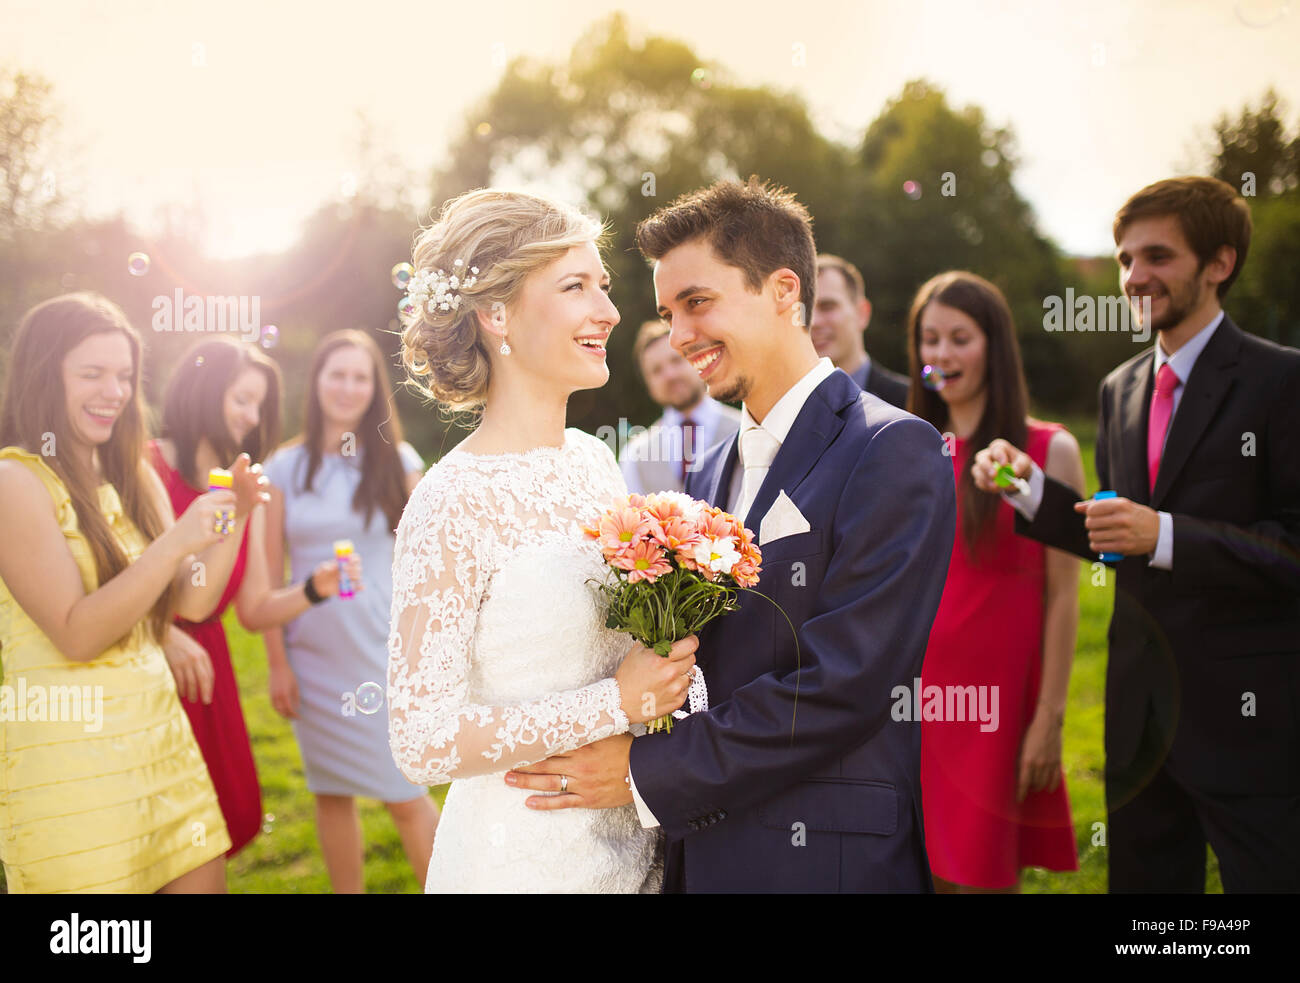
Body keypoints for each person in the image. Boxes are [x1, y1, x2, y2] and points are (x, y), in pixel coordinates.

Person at [506, 177, 956, 893]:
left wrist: (642, 770)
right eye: (666, 312)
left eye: (697, 302)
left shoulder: (894, 448)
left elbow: (847, 683)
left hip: (826, 864)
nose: (679, 336)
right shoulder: (711, 470)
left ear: (783, 290)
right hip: (703, 853)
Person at [973, 176, 1300, 893]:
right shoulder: (1120, 388)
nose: (1134, 276)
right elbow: (1117, 536)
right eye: (1125, 259)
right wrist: (1025, 487)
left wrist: (1171, 533)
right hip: (1139, 712)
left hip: (1250, 717)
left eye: (1158, 256)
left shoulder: (1283, 382)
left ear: (1219, 264)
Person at [387, 188, 699, 893]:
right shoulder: (451, 500)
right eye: (575, 287)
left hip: (628, 844)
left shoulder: (595, 460)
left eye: (605, 286)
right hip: (519, 857)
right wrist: (615, 703)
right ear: (496, 314)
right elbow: (422, 738)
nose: (610, 311)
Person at [0, 292, 267, 893]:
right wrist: (174, 542)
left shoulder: (129, 471)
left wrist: (238, 516)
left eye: (123, 375)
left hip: (161, 744)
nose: (113, 392)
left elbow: (190, 604)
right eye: (90, 374)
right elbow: (76, 633)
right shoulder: (15, 481)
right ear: (45, 375)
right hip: (73, 770)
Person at [149, 335, 362, 858]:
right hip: (151, 667)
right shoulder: (146, 465)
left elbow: (253, 610)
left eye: (260, 404)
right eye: (240, 398)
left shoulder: (244, 487)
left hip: (207, 674)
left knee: (208, 839)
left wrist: (315, 588)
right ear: (203, 390)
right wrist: (162, 632)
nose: (252, 415)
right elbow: (174, 597)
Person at [908, 270, 1081, 892]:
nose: (943, 355)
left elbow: (1065, 594)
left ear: (994, 346)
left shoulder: (1047, 450)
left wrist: (1049, 718)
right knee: (920, 868)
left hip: (997, 706)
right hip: (917, 698)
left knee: (982, 871)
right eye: (930, 340)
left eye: (961, 337)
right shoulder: (910, 449)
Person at [262, 329, 440, 893]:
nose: (347, 387)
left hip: (381, 650)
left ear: (374, 388)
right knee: (331, 793)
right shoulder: (282, 469)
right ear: (315, 383)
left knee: (406, 795)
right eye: (335, 374)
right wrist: (278, 665)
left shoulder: (397, 459)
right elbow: (269, 578)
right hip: (313, 657)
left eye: (359, 377)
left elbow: (433, 557)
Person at [619, 319, 740, 494]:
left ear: (698, 360)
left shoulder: (744, 430)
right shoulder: (635, 454)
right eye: (656, 370)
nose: (670, 375)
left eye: (676, 360)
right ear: (648, 385)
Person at [812, 253, 909, 408]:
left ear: (862, 313)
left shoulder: (910, 402)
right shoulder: (785, 407)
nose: (814, 322)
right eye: (805, 311)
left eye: (827, 307)